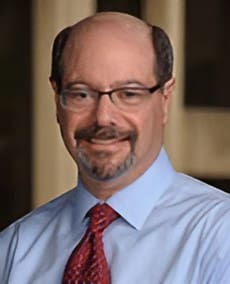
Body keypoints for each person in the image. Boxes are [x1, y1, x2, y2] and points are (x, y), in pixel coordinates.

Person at [0, 11, 230, 284]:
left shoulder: (220, 238)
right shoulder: (13, 250)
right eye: (81, 94)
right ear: (57, 99)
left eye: (128, 94)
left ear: (165, 98)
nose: (102, 117)